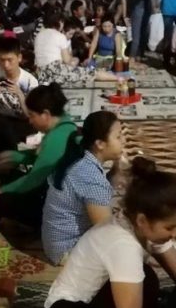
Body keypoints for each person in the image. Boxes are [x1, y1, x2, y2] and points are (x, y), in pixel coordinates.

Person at [45, 159, 176, 308]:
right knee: (146, 280)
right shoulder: (122, 244)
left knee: (149, 283)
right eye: (170, 227)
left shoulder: (137, 223)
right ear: (142, 220)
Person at [0, 84, 77, 231]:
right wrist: (17, 157)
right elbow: (41, 159)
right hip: (56, 195)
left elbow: (35, 178)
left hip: (59, 208)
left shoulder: (57, 138)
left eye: (32, 115)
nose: (29, 120)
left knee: (4, 200)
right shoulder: (65, 126)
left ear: (45, 114)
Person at [41, 111, 123, 264]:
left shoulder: (81, 158)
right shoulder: (90, 177)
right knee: (129, 248)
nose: (123, 141)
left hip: (55, 242)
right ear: (100, 144)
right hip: (67, 249)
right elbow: (105, 231)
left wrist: (116, 171)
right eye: (118, 137)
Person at [0, 36, 39, 136]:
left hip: (21, 121)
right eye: (2, 60)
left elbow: (30, 115)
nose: (6, 65)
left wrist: (19, 94)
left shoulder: (30, 80)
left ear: (19, 58)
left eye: (10, 60)